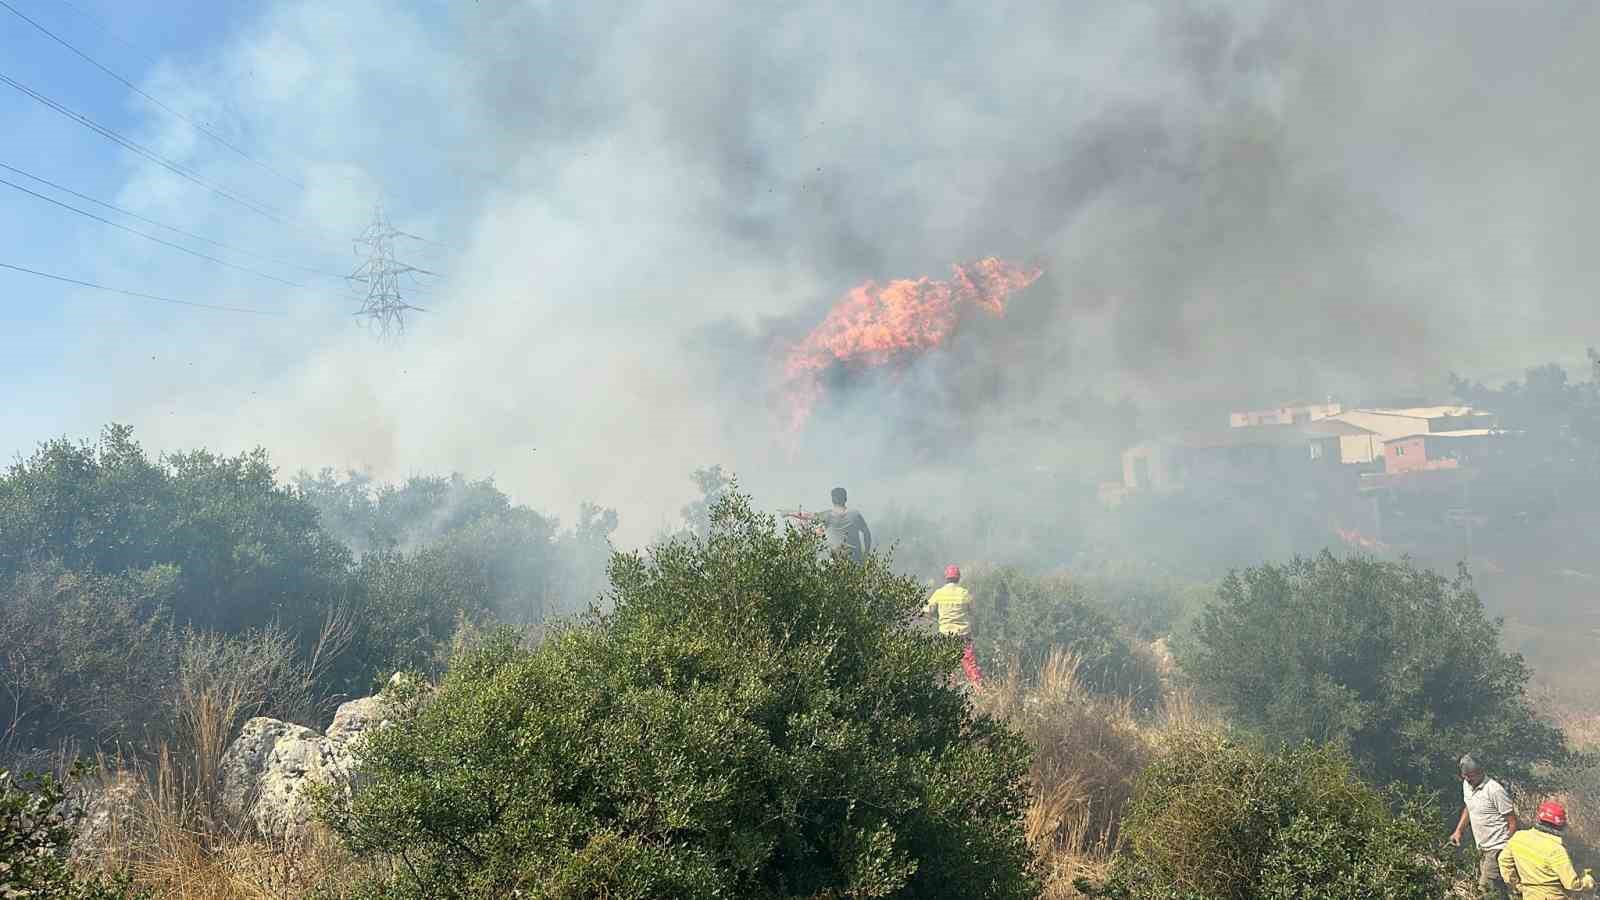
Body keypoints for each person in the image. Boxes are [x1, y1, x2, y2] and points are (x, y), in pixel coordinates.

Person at [1451, 754, 1519, 899]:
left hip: (1497, 848)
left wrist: (1507, 849)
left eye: (1471, 776)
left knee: (1485, 891)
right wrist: (1458, 831)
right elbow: (1469, 807)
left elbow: (1512, 821)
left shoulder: (1494, 790)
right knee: (1498, 892)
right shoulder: (1467, 785)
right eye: (1465, 776)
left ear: (1481, 772)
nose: (1468, 780)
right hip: (1482, 848)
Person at [1498, 800, 1595, 898]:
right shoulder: (1556, 850)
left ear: (1539, 819)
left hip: (1529, 895)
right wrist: (1588, 881)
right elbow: (1572, 884)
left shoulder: (1518, 838)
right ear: (1560, 826)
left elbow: (1503, 861)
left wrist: (1517, 886)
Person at [923, 564, 982, 686]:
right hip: (964, 635)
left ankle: (951, 692)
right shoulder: (964, 593)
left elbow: (926, 611)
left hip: (946, 636)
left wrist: (935, 617)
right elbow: (974, 611)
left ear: (946, 578)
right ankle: (980, 692)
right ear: (958, 578)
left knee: (948, 668)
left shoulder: (939, 593)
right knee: (971, 667)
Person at [783, 487, 872, 563]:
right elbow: (867, 534)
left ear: (833, 500)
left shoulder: (828, 515)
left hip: (838, 560)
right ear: (845, 499)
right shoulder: (855, 515)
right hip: (856, 558)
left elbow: (807, 515)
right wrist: (866, 554)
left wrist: (789, 513)